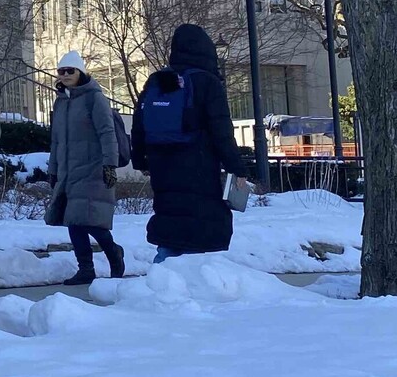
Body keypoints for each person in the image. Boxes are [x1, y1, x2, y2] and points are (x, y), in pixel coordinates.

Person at [131, 24, 251, 262]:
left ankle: (160, 281)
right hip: (198, 165)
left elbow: (139, 124)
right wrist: (237, 168)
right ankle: (195, 285)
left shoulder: (158, 80)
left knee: (170, 224)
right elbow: (222, 131)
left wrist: (140, 160)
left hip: (161, 166)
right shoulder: (208, 83)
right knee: (198, 228)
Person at [48, 50, 126, 285]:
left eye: (70, 70)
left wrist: (109, 165)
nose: (65, 75)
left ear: (80, 72)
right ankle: (86, 268)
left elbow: (107, 133)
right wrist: (53, 169)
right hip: (68, 171)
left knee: (90, 221)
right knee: (73, 220)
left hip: (93, 169)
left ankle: (113, 252)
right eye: (61, 71)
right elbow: (56, 140)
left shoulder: (95, 98)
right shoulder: (61, 102)